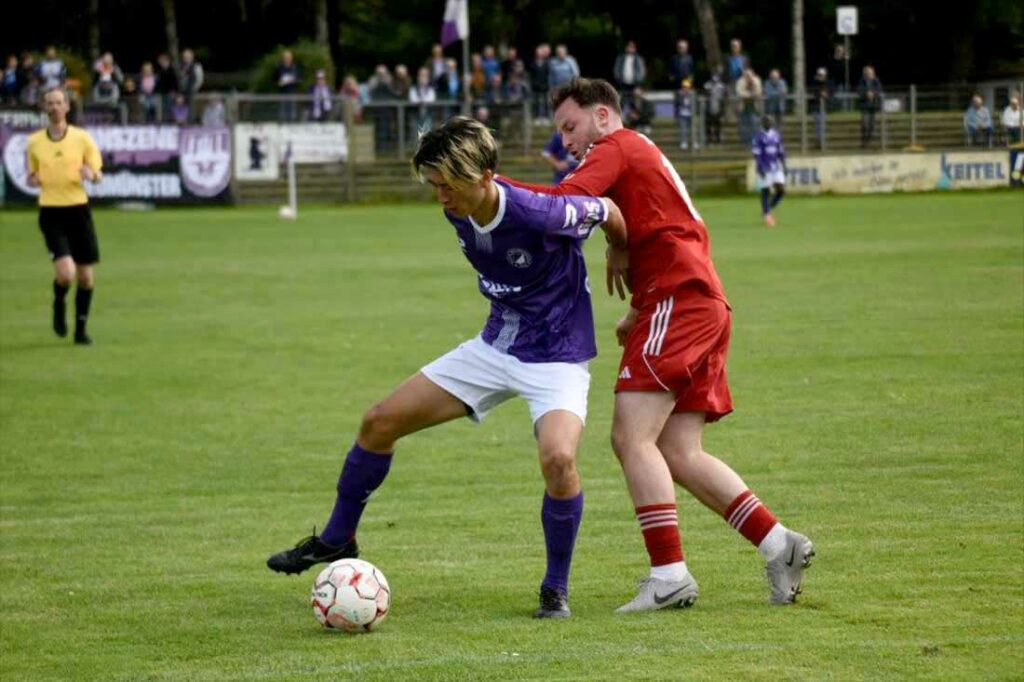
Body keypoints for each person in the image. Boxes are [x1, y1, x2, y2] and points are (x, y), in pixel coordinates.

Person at [266, 116, 628, 620]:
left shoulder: (540, 212)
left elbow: (607, 207)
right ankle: (337, 539)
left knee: (559, 460)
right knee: (378, 423)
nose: (440, 196)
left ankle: (555, 589)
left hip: (557, 356)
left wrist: (619, 249)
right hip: (494, 348)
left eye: (448, 184)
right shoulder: (458, 208)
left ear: (483, 176)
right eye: (434, 185)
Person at [501, 78, 814, 612]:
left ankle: (669, 576)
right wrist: (637, 304)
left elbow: (565, 205)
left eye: (570, 127)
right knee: (678, 451)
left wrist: (489, 185)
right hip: (699, 300)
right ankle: (778, 544)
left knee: (631, 438)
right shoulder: (638, 151)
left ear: (602, 116)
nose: (566, 143)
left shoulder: (614, 146)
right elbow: (670, 228)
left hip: (680, 301)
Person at [25, 87, 103, 346]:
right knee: (66, 273)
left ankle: (81, 331)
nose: (55, 107)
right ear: (45, 108)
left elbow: (96, 170)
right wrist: (33, 179)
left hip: (78, 211)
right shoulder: (34, 142)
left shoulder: (82, 139)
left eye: (59, 102)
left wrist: (91, 175)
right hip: (51, 212)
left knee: (85, 277)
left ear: (67, 107)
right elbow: (32, 175)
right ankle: (59, 301)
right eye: (50, 103)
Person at [752, 115, 786, 227]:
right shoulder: (758, 137)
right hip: (764, 167)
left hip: (776, 167)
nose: (769, 123)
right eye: (767, 121)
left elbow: (781, 152)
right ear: (762, 123)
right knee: (765, 191)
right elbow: (756, 154)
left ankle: (768, 208)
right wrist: (760, 167)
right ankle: (767, 215)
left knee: (781, 190)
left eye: (770, 121)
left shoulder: (776, 135)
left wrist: (784, 165)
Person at [857, 65, 882, 148]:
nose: (869, 74)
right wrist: (866, 93)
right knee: (864, 124)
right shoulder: (862, 81)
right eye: (867, 72)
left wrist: (873, 93)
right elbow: (859, 91)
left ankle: (867, 141)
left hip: (873, 106)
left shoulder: (876, 81)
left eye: (870, 72)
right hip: (865, 106)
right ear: (865, 73)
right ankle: (863, 141)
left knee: (872, 125)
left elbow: (879, 89)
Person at [274, 50, 301, 121]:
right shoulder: (279, 67)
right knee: (281, 110)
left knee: (292, 110)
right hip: (282, 92)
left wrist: (293, 80)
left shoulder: (295, 67)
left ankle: (292, 124)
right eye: (285, 57)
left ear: (291, 58)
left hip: (292, 92)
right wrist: (279, 82)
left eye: (289, 57)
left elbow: (299, 79)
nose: (287, 59)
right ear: (283, 58)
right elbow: (274, 79)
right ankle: (281, 124)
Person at [810, 67, 832, 150]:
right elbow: (813, 92)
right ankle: (819, 142)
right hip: (816, 107)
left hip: (824, 108)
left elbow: (831, 92)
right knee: (817, 125)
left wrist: (826, 95)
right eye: (819, 75)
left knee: (822, 125)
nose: (821, 76)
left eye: (822, 75)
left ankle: (821, 142)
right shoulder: (814, 83)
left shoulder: (828, 83)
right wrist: (821, 94)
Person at [703, 68, 727, 145]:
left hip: (718, 107)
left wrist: (722, 109)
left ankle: (717, 138)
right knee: (708, 124)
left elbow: (724, 97)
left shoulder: (721, 86)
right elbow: (705, 94)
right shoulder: (707, 85)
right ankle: (709, 139)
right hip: (709, 107)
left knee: (718, 124)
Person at [675, 78, 697, 150]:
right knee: (683, 129)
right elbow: (677, 104)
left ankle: (694, 142)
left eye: (687, 87)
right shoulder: (679, 94)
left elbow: (694, 104)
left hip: (691, 113)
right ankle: (683, 142)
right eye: (684, 87)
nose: (686, 89)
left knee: (693, 128)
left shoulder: (692, 94)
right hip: (682, 114)